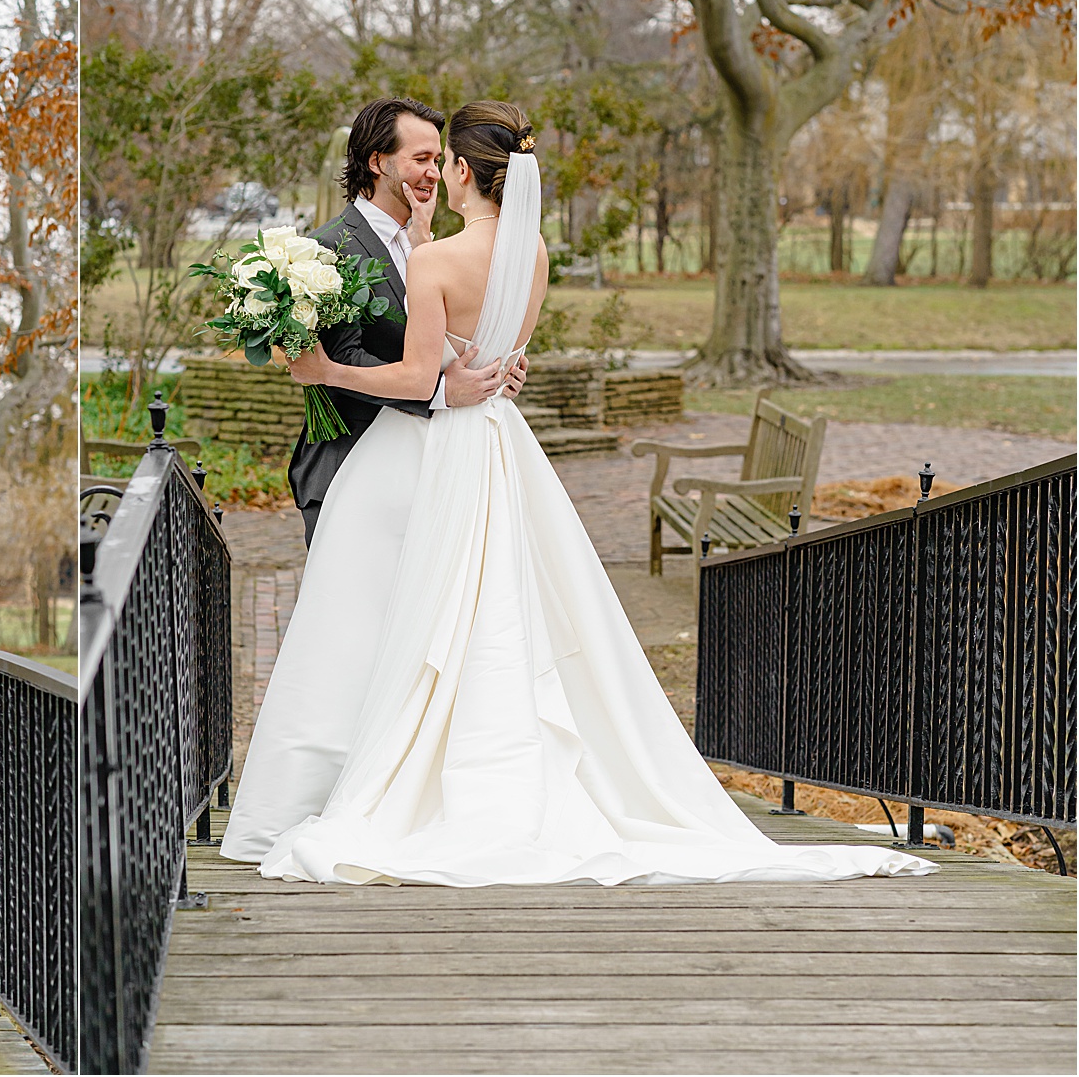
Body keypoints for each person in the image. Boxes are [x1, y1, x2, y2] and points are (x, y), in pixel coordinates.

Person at [223, 101, 931, 886]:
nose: (432, 173)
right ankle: (486, 765)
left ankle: (413, 774)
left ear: (461, 171)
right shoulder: (537, 253)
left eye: (441, 160)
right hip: (500, 443)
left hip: (444, 442)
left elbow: (420, 378)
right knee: (497, 610)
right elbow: (492, 351)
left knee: (437, 611)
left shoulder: (432, 261)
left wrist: (323, 371)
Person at [289, 98, 522, 547]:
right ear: (377, 162)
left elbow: (443, 338)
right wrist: (441, 391)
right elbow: (339, 361)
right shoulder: (327, 248)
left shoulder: (434, 248)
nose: (434, 172)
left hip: (431, 470)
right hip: (348, 468)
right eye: (420, 159)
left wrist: (493, 369)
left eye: (438, 159)